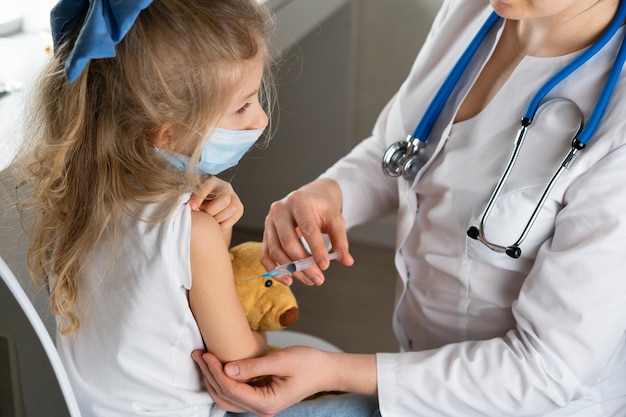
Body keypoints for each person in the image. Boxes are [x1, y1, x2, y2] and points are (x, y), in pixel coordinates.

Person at [192, 0, 626, 416]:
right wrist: (327, 194)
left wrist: (334, 371)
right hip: (419, 368)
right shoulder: (475, 11)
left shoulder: (618, 130)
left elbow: (549, 369)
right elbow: (401, 148)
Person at [14, 0, 275, 415]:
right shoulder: (191, 233)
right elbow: (245, 366)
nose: (259, 119)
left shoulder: (72, 202)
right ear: (166, 134)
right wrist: (264, 338)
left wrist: (211, 228)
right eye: (243, 106)